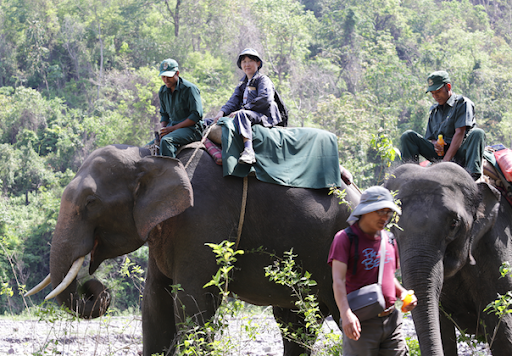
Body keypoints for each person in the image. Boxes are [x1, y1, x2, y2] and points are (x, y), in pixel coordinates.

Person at [328, 186, 417, 355]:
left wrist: (403, 293)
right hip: (362, 322)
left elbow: (389, 277)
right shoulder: (346, 238)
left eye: (388, 212)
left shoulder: (389, 239)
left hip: (392, 321)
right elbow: (338, 281)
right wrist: (346, 314)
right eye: (380, 211)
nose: (385, 217)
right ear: (365, 210)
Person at [400, 70, 485, 180]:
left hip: (460, 152)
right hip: (440, 154)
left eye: (438, 91)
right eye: (432, 93)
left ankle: (471, 177)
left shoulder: (462, 103)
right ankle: (409, 176)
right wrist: (436, 145)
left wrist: (445, 164)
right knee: (408, 136)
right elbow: (431, 138)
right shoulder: (434, 111)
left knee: (478, 133)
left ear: (448, 87)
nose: (435, 96)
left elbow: (460, 132)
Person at [212, 48, 282, 165]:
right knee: (207, 122)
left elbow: (266, 99)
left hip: (263, 115)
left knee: (241, 114)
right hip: (248, 115)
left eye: (250, 61)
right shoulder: (242, 84)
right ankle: (216, 152)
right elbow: (233, 101)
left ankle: (249, 151)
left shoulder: (263, 80)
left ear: (258, 63)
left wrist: (244, 109)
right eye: (244, 62)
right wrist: (222, 112)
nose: (246, 64)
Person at [156, 58, 203, 157]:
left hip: (191, 129)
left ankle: (170, 172)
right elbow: (164, 115)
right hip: (172, 127)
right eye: (163, 76)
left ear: (177, 73)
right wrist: (163, 129)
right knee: (150, 146)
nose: (166, 80)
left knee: (166, 141)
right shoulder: (163, 91)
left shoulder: (190, 89)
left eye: (169, 76)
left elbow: (196, 115)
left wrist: (173, 128)